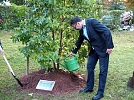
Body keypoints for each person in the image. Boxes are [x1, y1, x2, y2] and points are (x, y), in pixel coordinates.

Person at [69, 16, 114, 100]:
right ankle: (89, 88)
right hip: (94, 51)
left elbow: (106, 31)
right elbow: (79, 41)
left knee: (103, 71)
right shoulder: (82, 29)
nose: (75, 29)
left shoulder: (92, 22)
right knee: (90, 67)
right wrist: (73, 51)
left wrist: (109, 46)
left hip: (103, 50)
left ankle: (100, 93)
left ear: (78, 23)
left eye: (75, 27)